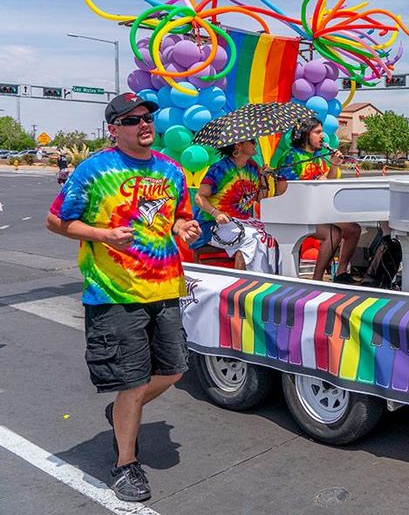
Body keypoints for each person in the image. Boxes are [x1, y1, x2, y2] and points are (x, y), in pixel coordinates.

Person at [45, 92, 201, 502]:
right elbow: (57, 219)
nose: (144, 124)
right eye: (132, 120)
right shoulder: (95, 170)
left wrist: (184, 227)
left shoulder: (171, 170)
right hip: (114, 294)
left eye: (148, 117)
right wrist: (102, 234)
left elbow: (181, 214)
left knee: (174, 371)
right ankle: (124, 466)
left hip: (165, 287)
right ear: (114, 129)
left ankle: (119, 416)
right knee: (131, 383)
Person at [278, 116, 360, 282]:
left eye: (322, 131)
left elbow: (327, 184)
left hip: (319, 209)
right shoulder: (291, 157)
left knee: (353, 229)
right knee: (333, 233)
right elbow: (282, 192)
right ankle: (317, 279)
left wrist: (334, 165)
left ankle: (341, 273)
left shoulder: (320, 157)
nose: (323, 136)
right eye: (317, 132)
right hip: (297, 211)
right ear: (305, 134)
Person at [190, 138, 287, 273]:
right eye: (252, 141)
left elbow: (260, 199)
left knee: (277, 233)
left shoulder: (252, 167)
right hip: (213, 225)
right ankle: (249, 283)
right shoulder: (219, 169)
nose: (256, 144)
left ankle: (273, 281)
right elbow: (198, 197)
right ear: (239, 145)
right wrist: (216, 213)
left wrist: (264, 179)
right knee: (253, 238)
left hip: (243, 222)